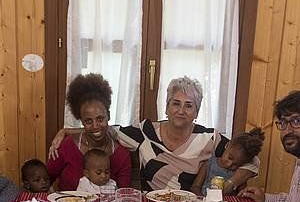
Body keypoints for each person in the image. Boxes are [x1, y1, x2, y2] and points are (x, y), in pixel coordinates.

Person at [51, 76, 257, 194]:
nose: (181, 110)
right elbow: (103, 127)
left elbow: (252, 160)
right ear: (166, 107)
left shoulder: (209, 138)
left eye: (189, 105)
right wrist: (67, 130)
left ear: (196, 111)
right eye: (175, 103)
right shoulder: (144, 132)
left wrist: (232, 183)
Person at [45, 73, 132, 190]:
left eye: (100, 119)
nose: (95, 126)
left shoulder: (122, 155)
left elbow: (123, 194)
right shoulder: (66, 145)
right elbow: (46, 179)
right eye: (88, 121)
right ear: (81, 121)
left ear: (109, 116)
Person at [205, 128, 265, 196]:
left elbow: (242, 193)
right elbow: (196, 186)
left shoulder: (236, 173)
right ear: (227, 145)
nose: (229, 164)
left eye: (236, 164)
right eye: (230, 158)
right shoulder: (210, 164)